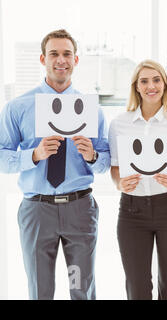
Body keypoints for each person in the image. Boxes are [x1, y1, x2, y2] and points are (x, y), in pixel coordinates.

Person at [0, 29, 110, 300]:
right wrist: (33, 155)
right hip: (37, 211)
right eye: (54, 54)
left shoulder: (91, 110)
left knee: (81, 289)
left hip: (80, 209)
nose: (61, 60)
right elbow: (2, 156)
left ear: (76, 60)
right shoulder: (18, 107)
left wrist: (92, 157)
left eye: (67, 54)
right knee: (40, 292)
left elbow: (106, 162)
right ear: (42, 59)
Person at [108, 60, 167, 300]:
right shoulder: (119, 124)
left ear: (165, 85)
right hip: (132, 211)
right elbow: (116, 167)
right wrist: (118, 183)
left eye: (156, 80)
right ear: (136, 87)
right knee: (137, 286)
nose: (150, 86)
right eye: (144, 81)